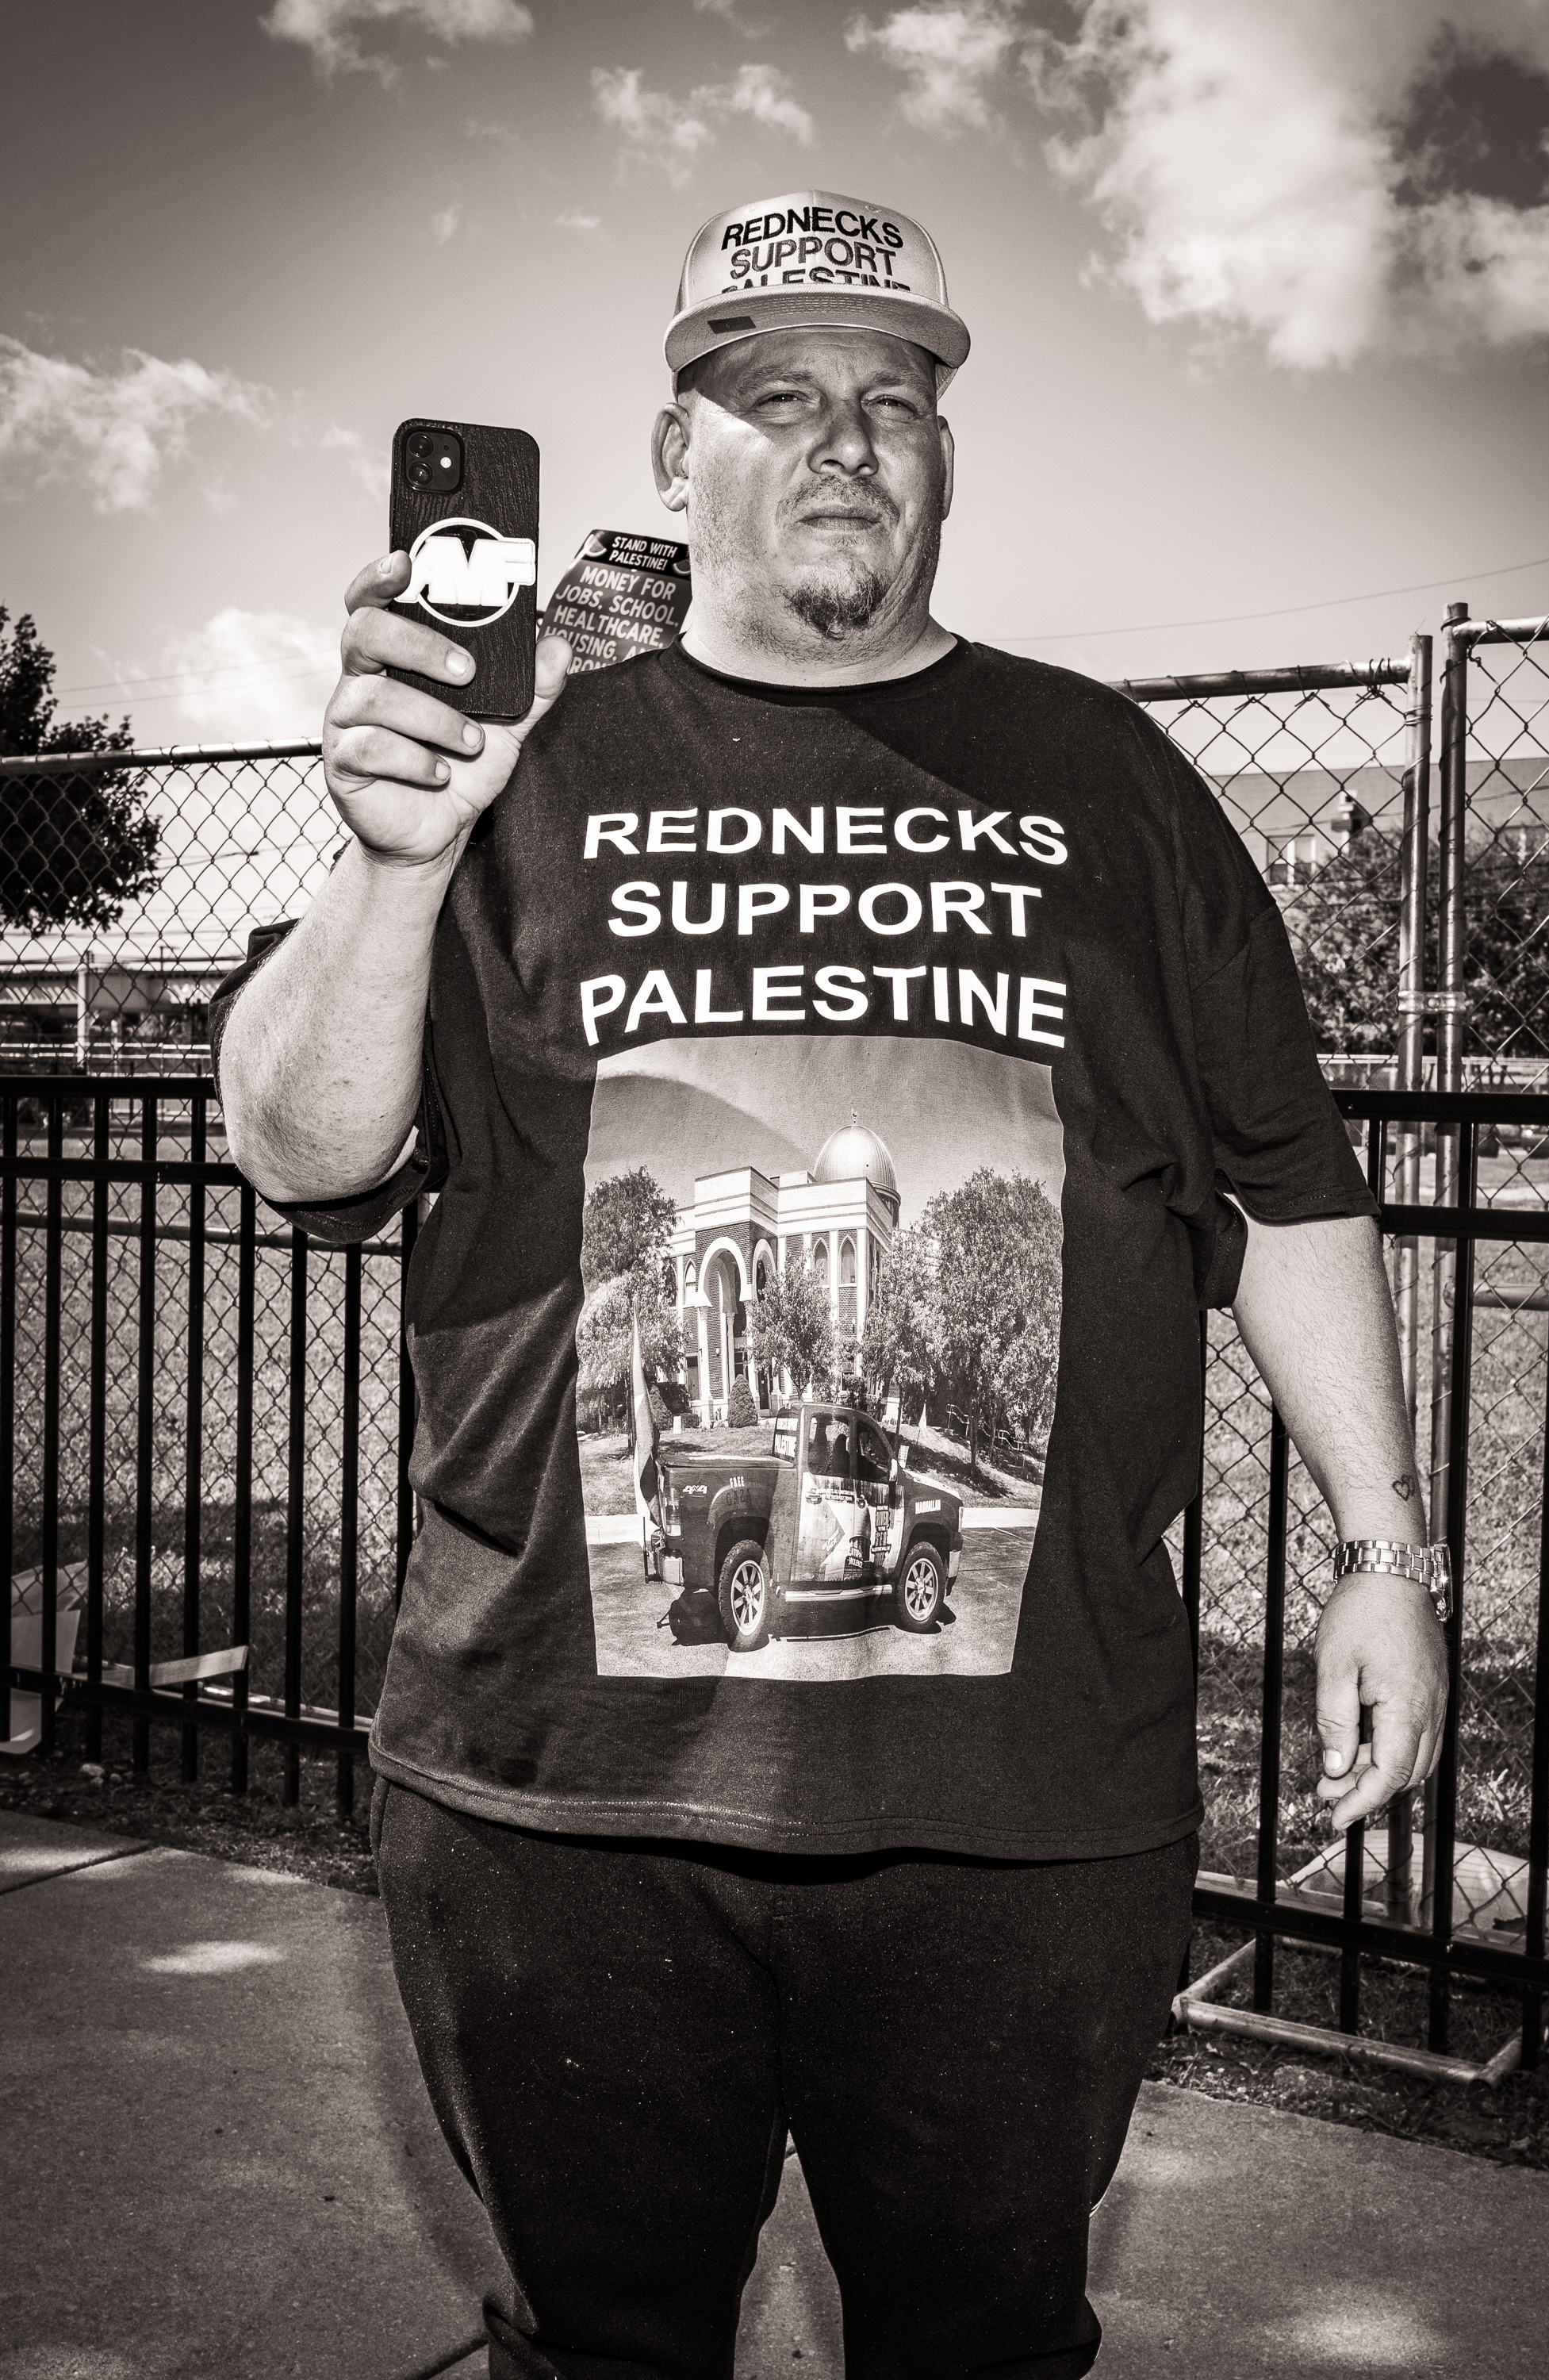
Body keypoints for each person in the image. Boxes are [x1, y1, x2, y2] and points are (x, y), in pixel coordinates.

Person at [213, 186, 1448, 2380]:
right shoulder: (518, 765)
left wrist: (1383, 1548)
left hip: (1025, 1810)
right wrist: (392, 862)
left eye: (897, 397)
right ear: (674, 455)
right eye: (774, 394)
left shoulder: (1114, 785)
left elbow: (1286, 1191)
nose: (846, 438)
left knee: (983, 2339)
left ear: (949, 458)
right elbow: (302, 1147)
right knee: (599, 2343)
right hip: (557, 1791)